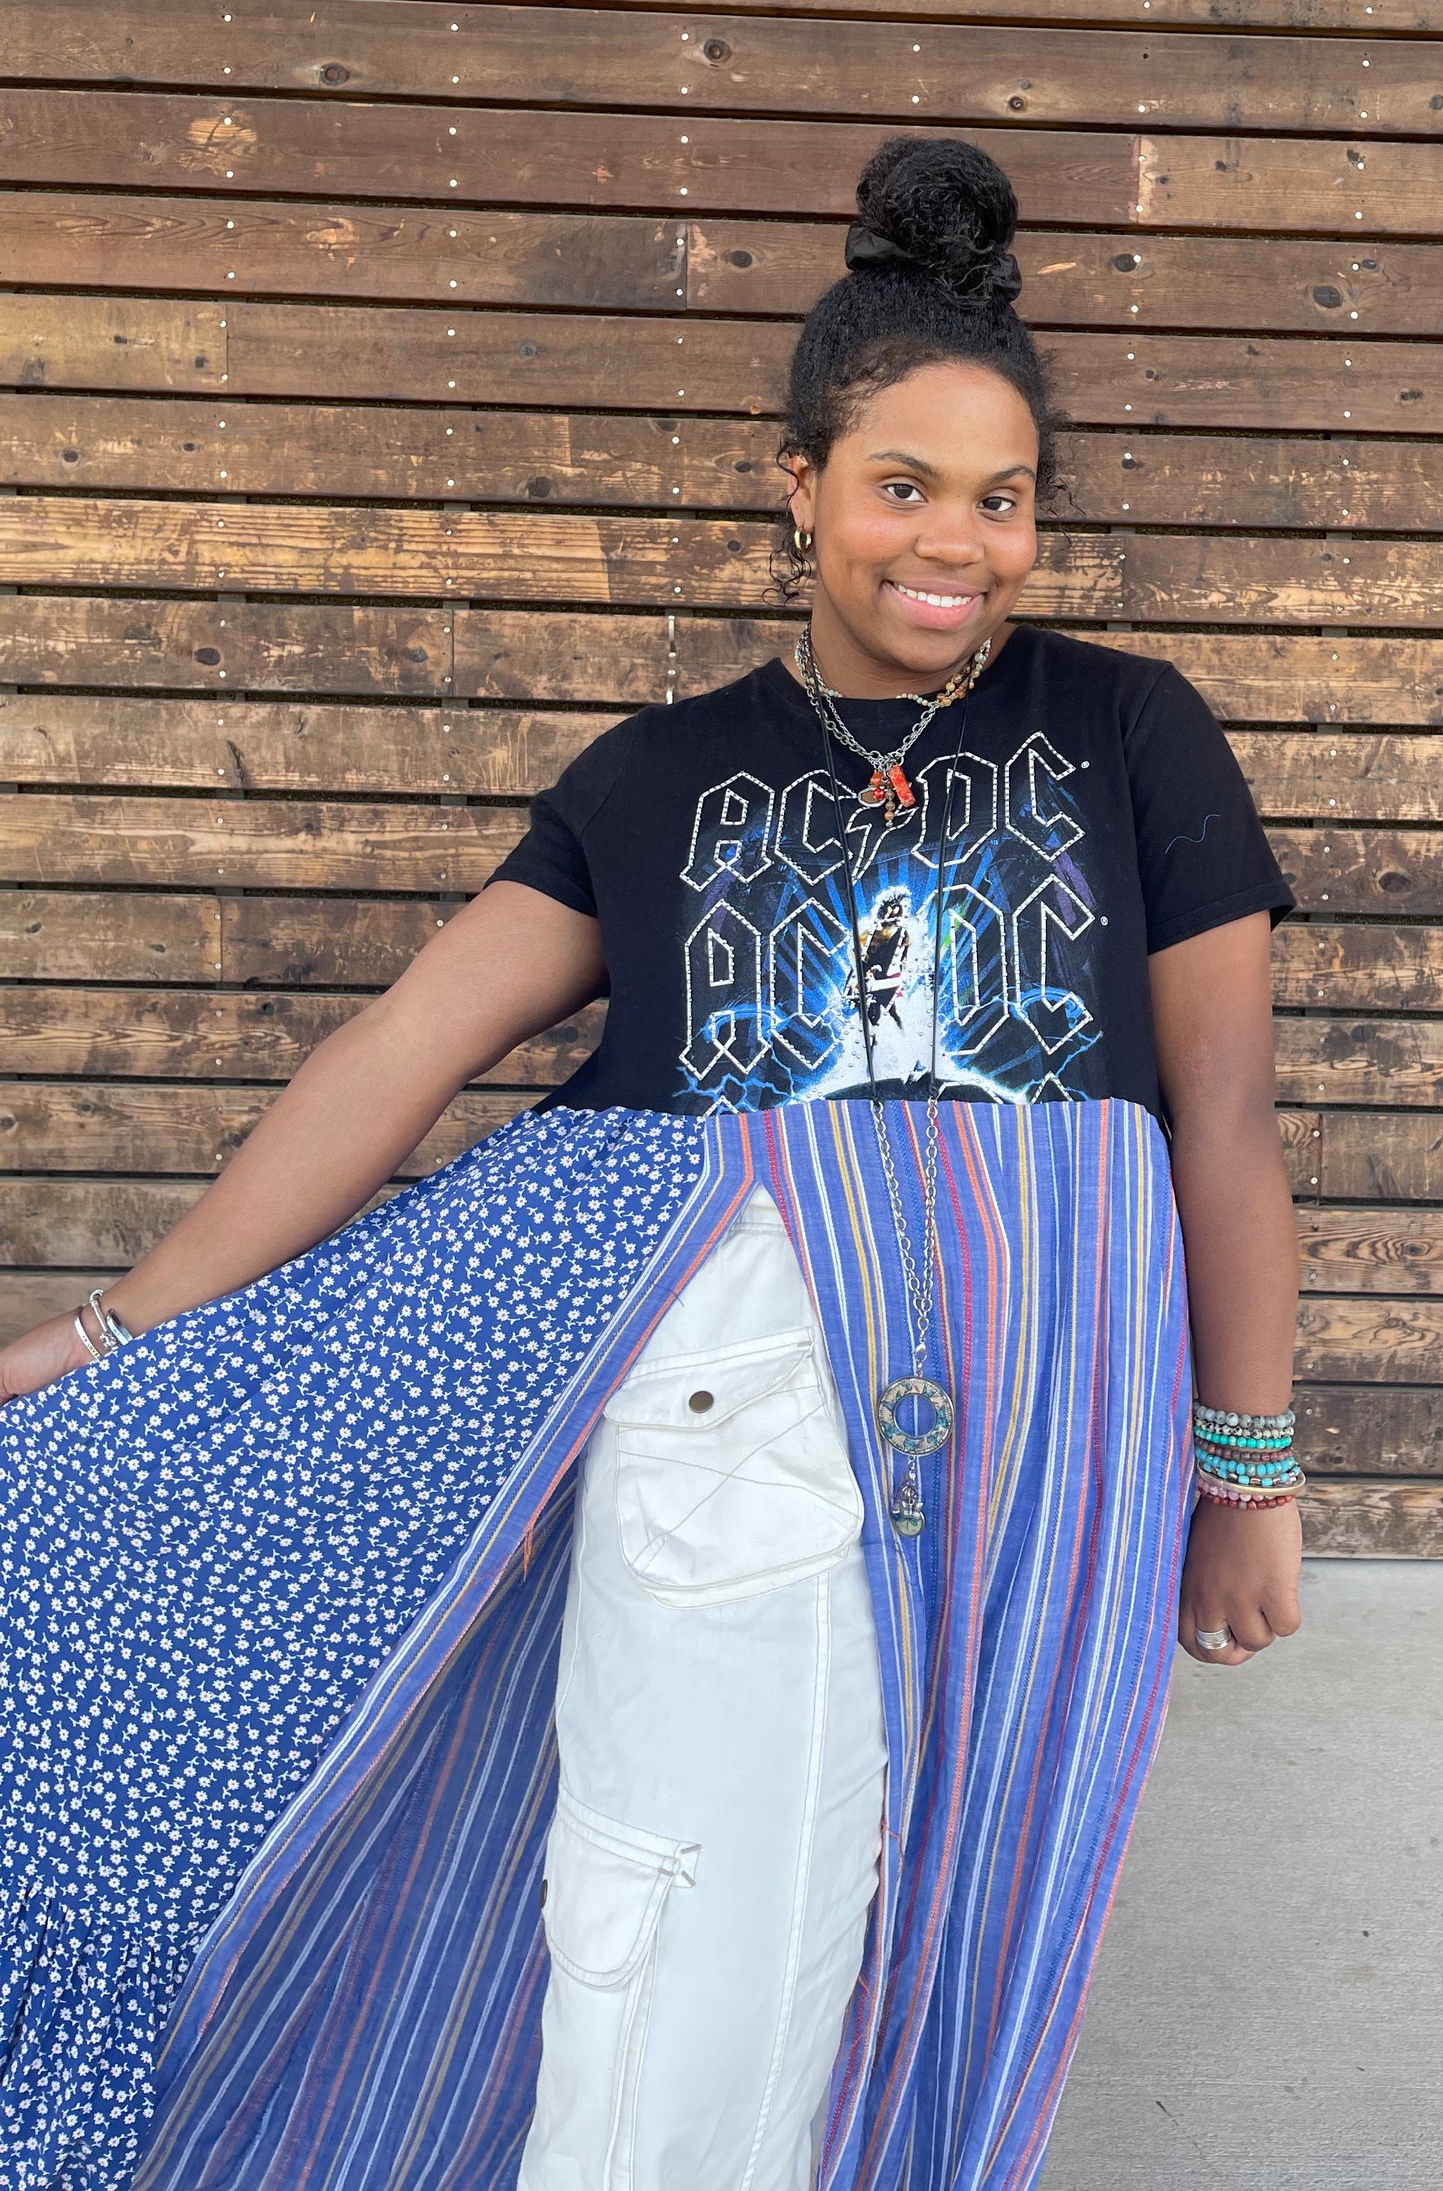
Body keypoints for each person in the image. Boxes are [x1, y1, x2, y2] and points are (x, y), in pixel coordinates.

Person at [0, 136, 1304, 2191]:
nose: (956, 541)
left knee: (934, 1905)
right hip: (731, 1424)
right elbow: (401, 1052)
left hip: (1045, 1440)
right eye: (901, 484)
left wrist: (1247, 1473)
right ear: (798, 483)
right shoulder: (658, 776)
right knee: (679, 1913)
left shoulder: (1129, 736)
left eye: (1002, 497)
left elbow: (1214, 1123)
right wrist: (115, 1330)